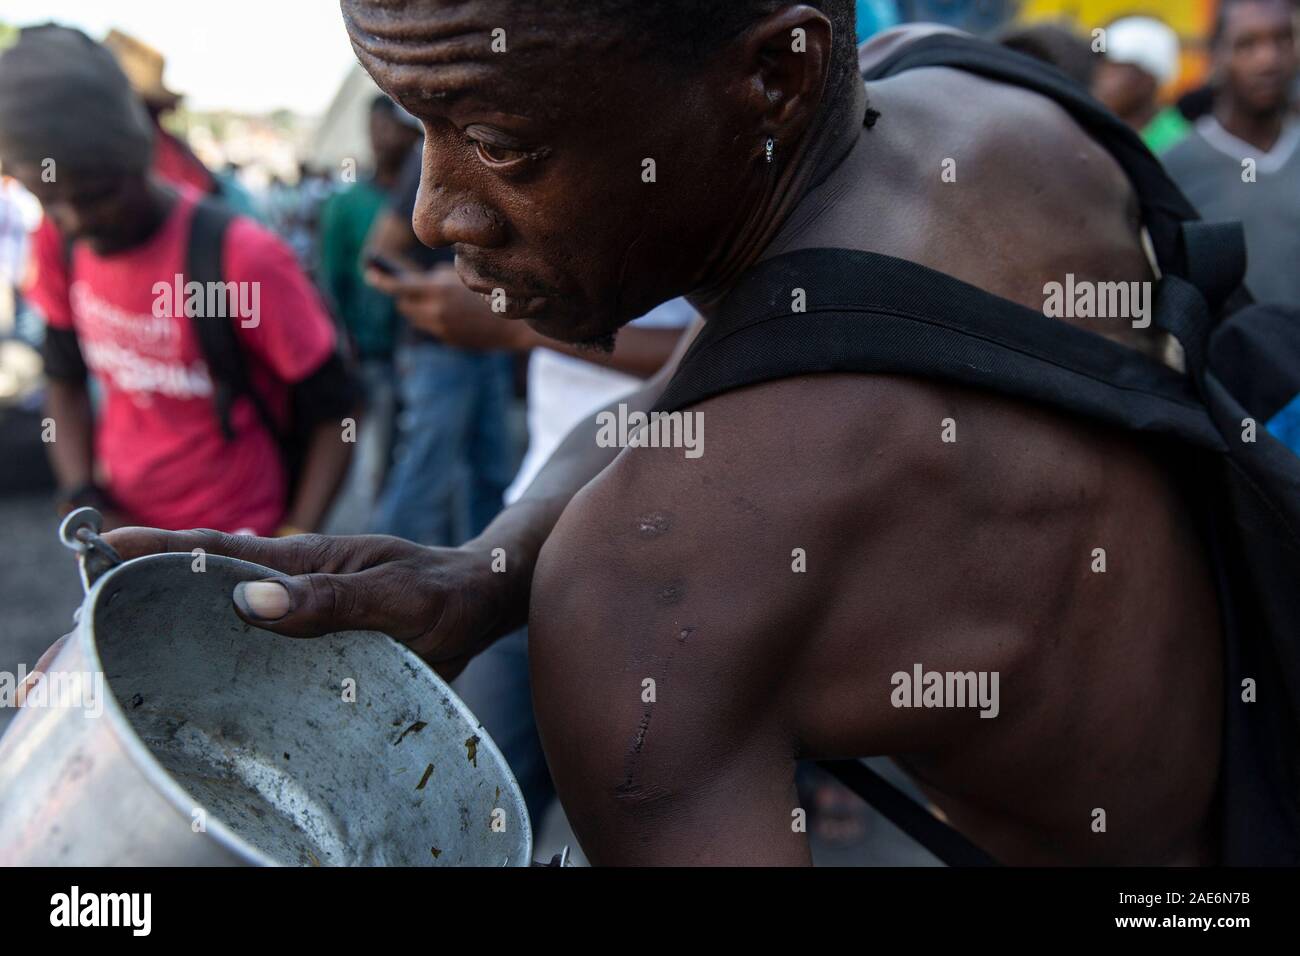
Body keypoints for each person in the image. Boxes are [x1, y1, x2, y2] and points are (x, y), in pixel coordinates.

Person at [105, 4, 1234, 865]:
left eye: (499, 140)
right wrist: (490, 564)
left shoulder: (643, 599)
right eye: (414, 123)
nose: (433, 211)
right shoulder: (958, 91)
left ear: (773, 76)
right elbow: (717, 377)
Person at [1, 25, 358, 536]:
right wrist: (81, 493)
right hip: (124, 541)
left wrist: (295, 537)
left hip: (237, 545)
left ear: (141, 155)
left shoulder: (239, 257)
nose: (76, 219)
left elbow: (338, 411)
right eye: (51, 199)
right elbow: (64, 379)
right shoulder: (58, 242)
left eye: (98, 196)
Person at [363, 143, 515, 546]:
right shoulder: (438, 147)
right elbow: (378, 254)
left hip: (490, 344)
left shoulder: (501, 148)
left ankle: (487, 580)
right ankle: (388, 586)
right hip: (436, 351)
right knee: (426, 477)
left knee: (491, 473)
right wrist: (438, 294)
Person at [317, 96, 422, 532]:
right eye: (376, 127)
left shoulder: (424, 195)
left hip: (419, 345)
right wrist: (347, 344)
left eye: (392, 127)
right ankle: (382, 539)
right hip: (371, 350)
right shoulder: (347, 203)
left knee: (417, 449)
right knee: (378, 450)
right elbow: (333, 282)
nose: (384, 138)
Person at [1163, 0, 1300, 307]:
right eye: (1246, 44)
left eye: (1283, 39)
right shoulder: (1176, 168)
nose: (1268, 60)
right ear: (1216, 56)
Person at [1090, 16, 1191, 153]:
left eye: (1116, 68)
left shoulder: (1179, 144)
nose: (1102, 78)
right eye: (1104, 65)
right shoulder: (1095, 131)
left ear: (1147, 79)